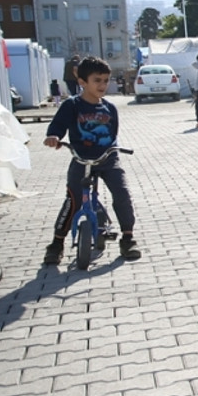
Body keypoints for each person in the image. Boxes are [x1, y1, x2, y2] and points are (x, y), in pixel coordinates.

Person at [42, 57, 142, 264]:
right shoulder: (73, 105)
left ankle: (128, 238)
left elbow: (112, 133)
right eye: (97, 80)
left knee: (122, 194)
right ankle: (56, 244)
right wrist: (54, 137)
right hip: (81, 159)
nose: (103, 85)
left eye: (106, 80)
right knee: (73, 200)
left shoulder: (109, 108)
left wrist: (111, 150)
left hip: (107, 159)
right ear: (82, 82)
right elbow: (58, 125)